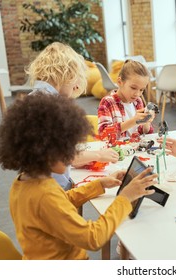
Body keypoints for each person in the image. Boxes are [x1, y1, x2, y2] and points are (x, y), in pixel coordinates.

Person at [0, 93, 157, 260]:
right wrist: (125, 198)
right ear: (46, 153)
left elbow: (62, 200)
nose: (71, 157)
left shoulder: (24, 183)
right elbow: (93, 238)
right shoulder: (45, 194)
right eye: (69, 150)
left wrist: (100, 184)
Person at [26, 42, 119, 190]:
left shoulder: (32, 98)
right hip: (53, 190)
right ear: (67, 74)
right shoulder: (51, 107)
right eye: (76, 79)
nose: (76, 86)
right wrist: (99, 155)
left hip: (35, 186)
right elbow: (65, 156)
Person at [98, 59, 155, 140]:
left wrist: (146, 122)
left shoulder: (137, 101)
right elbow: (103, 135)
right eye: (133, 88)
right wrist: (133, 121)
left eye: (141, 90)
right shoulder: (107, 102)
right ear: (120, 82)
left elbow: (144, 133)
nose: (137, 94)